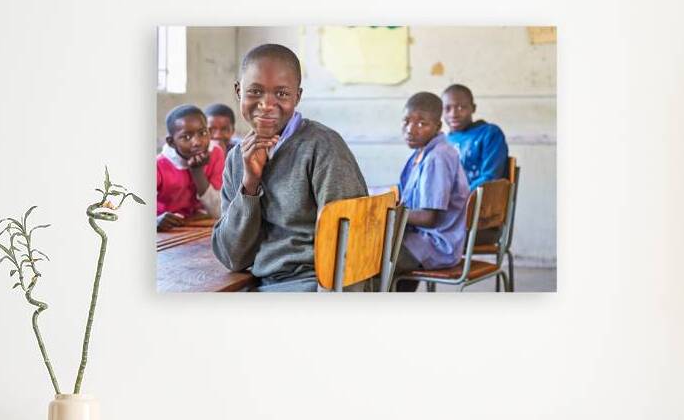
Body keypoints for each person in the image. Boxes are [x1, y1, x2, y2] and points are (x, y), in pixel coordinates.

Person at [212, 44, 367, 292]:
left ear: (298, 96)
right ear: (238, 91)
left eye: (282, 94)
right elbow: (232, 257)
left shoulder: (323, 147)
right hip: (261, 284)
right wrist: (250, 185)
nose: (266, 104)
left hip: (313, 285)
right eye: (255, 91)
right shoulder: (235, 159)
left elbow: (352, 244)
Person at [393, 92, 469, 292]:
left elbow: (428, 218)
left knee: (371, 261)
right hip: (420, 239)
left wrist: (391, 213)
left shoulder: (438, 157)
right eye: (406, 121)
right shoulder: (422, 153)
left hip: (436, 244)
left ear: (437, 126)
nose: (410, 129)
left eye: (422, 123)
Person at [157, 104, 224, 231]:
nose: (197, 142)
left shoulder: (215, 153)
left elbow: (218, 211)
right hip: (167, 230)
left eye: (203, 133)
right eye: (186, 137)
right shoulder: (159, 165)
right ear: (171, 142)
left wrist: (198, 173)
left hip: (200, 224)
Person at [442, 84, 508, 191]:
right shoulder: (445, 141)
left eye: (460, 107)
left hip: (479, 204)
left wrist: (457, 198)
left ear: (473, 108)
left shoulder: (489, 134)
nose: (453, 114)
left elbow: (490, 178)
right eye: (447, 108)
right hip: (448, 204)